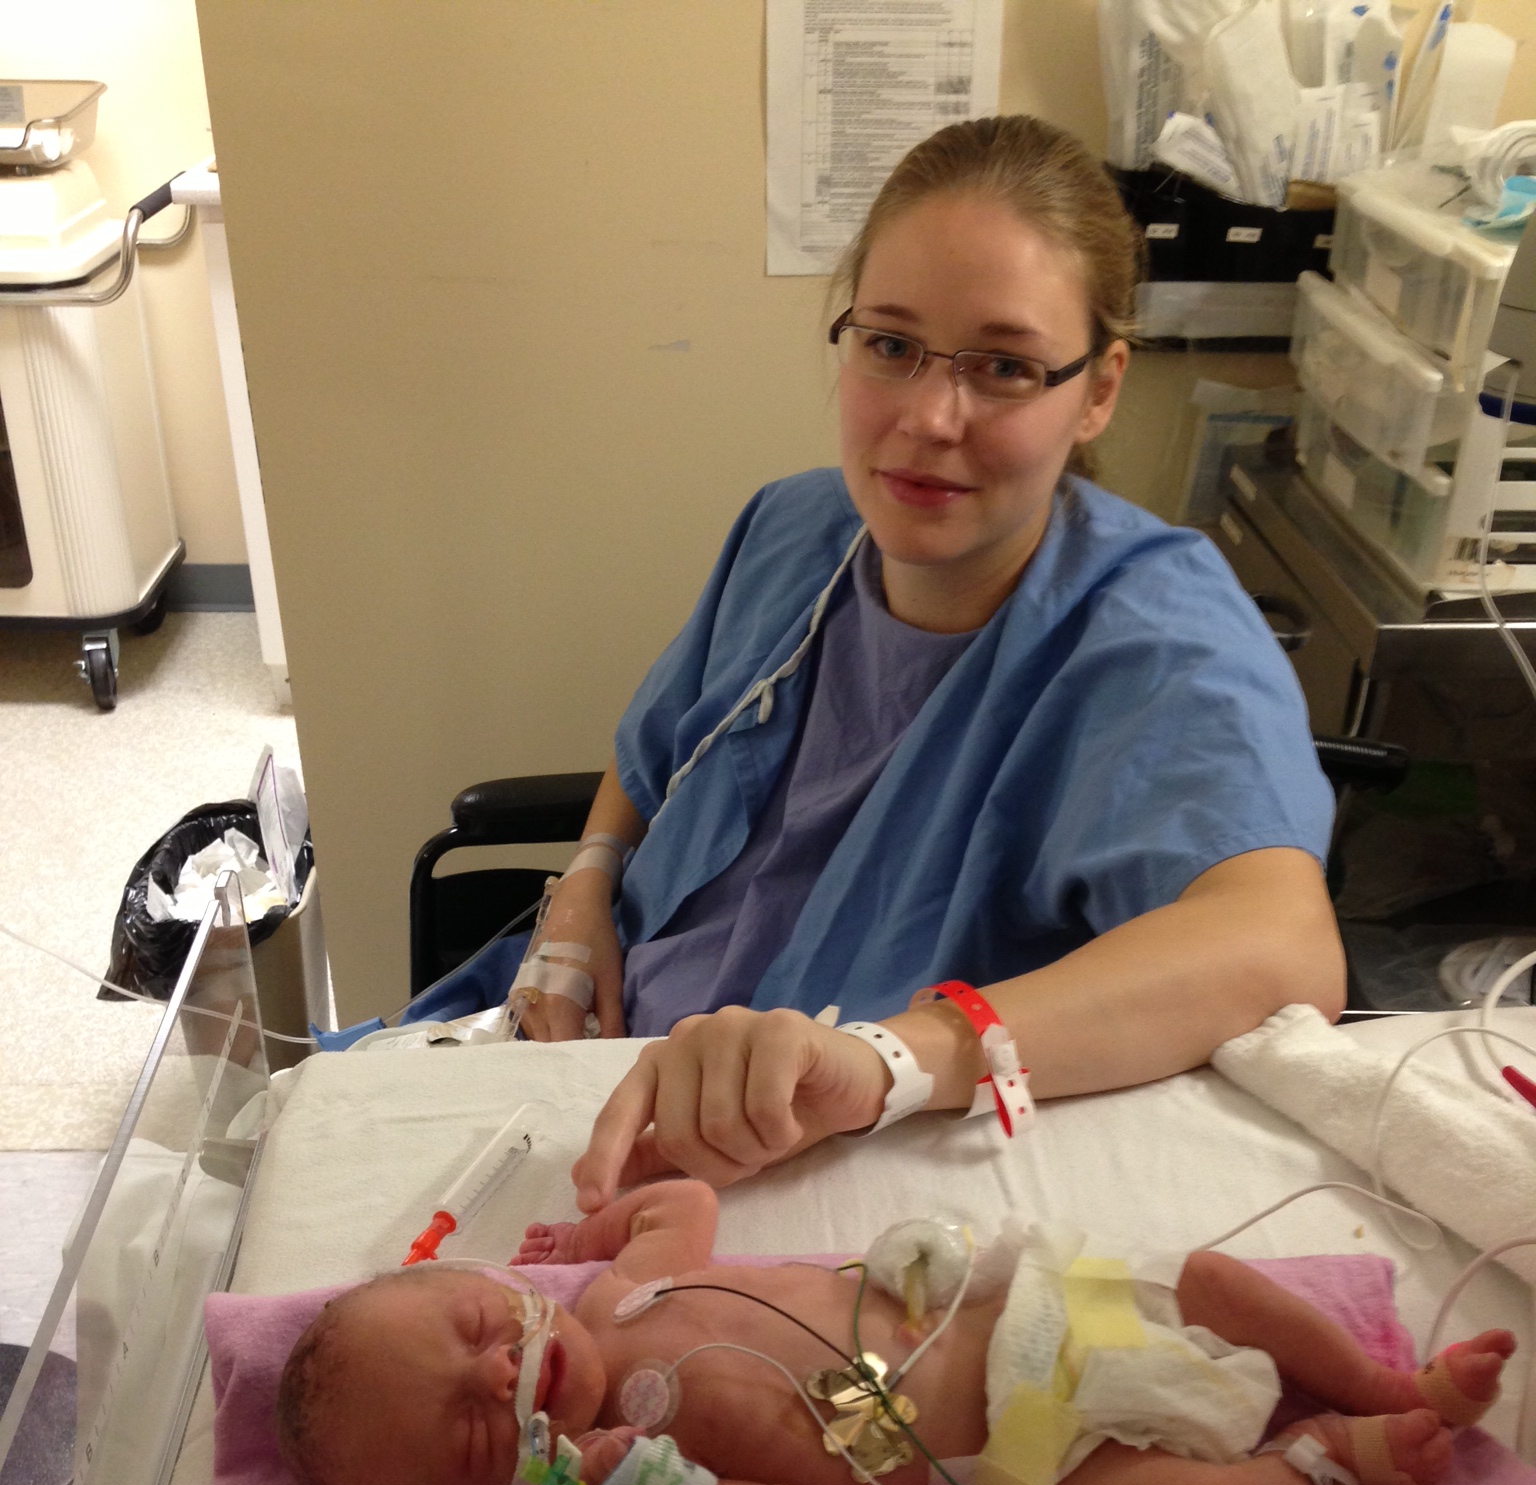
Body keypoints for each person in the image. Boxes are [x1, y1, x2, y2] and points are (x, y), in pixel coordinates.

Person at [511, 115, 1344, 1212]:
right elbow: (660, 748)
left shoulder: (1151, 631)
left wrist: (893, 1060)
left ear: (1098, 389)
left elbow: (1282, 950)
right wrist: (582, 891)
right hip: (586, 1064)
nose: (928, 417)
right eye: (892, 345)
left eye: (1003, 367)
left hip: (839, 1155)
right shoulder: (795, 530)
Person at [275, 1182, 1511, 1485]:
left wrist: (590, 1226)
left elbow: (684, 1201)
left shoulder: (618, 1293)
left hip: (1023, 1306)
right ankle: (1333, 1458)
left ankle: (1379, 1382)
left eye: (479, 1323)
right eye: (474, 1433)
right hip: (1023, 1449)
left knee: (1208, 1278)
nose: (501, 1372)